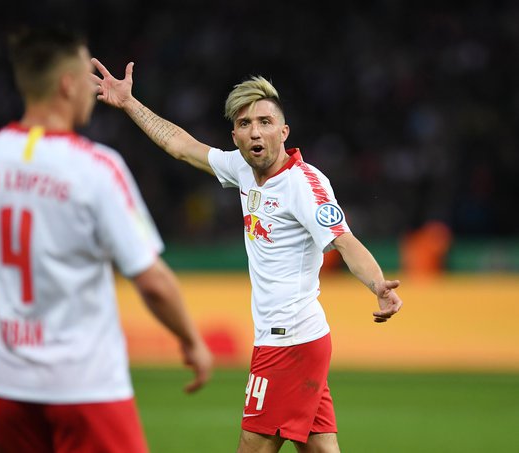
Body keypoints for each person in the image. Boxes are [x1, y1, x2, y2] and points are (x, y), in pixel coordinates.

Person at [0, 27, 212, 453]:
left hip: (7, 386)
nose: (93, 91)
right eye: (86, 78)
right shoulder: (97, 169)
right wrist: (190, 340)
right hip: (87, 387)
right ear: (68, 84)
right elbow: (152, 281)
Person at [91, 59, 403, 453]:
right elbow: (181, 147)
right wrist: (129, 103)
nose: (255, 131)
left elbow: (344, 241)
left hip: (288, 342)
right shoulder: (241, 168)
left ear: (283, 131)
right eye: (244, 124)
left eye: (265, 121)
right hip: (293, 340)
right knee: (321, 448)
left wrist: (379, 285)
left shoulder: (304, 185)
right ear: (235, 135)